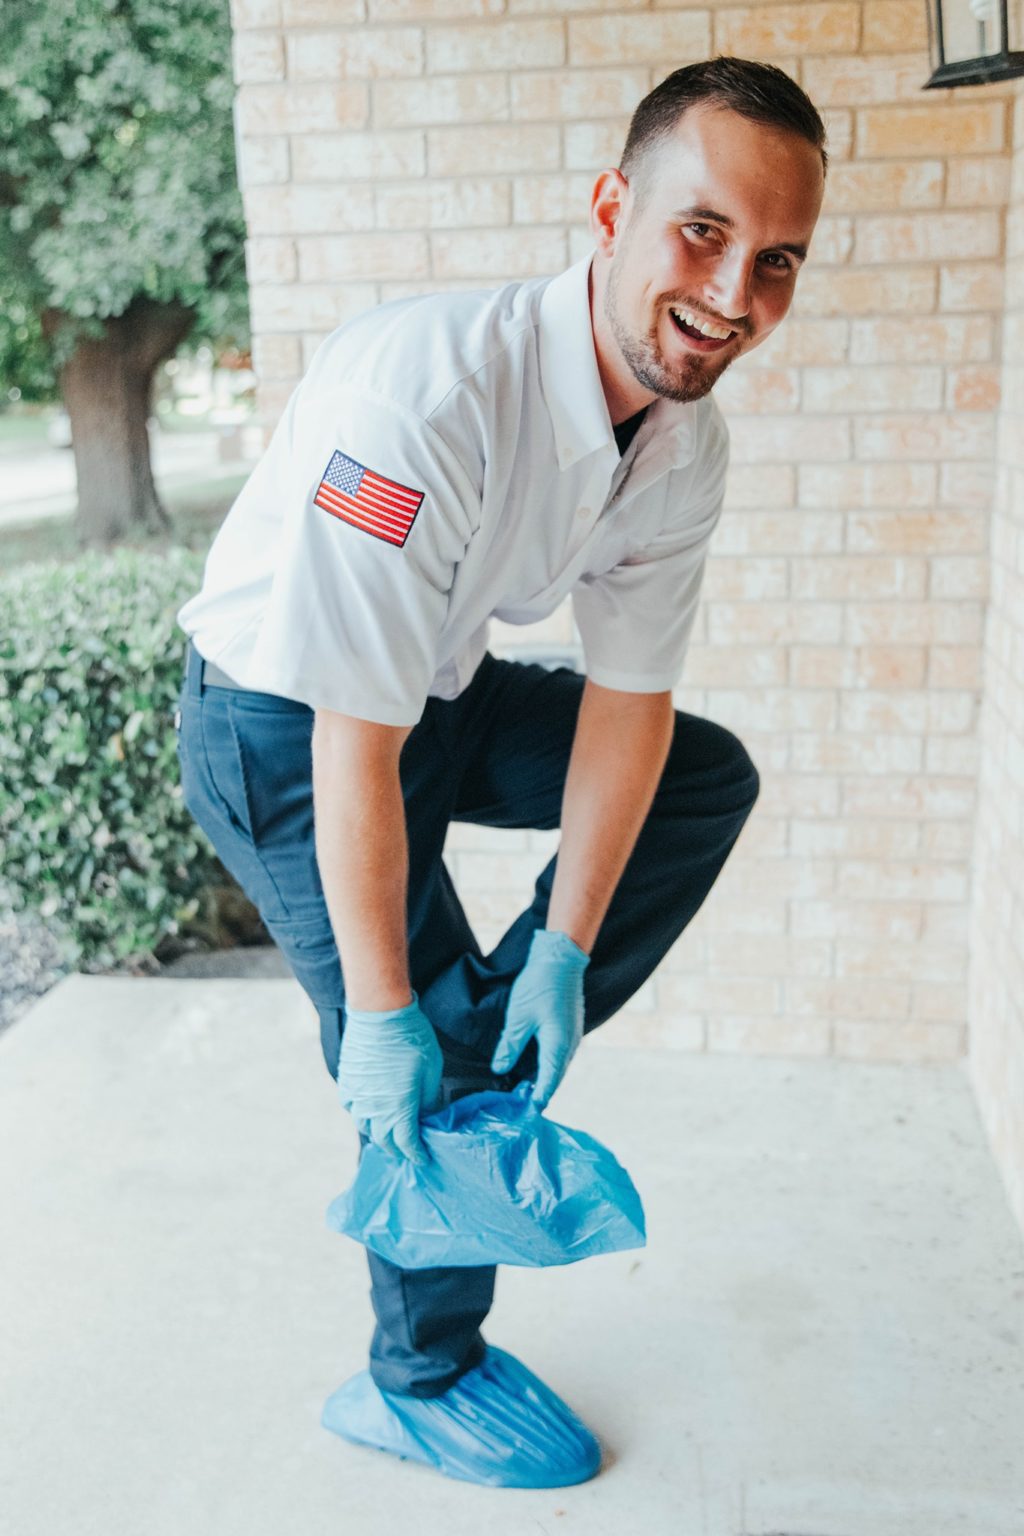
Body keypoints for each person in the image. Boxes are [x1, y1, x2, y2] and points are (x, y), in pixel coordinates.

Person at [175, 56, 826, 1488]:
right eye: (702, 231)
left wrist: (566, 951)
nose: (734, 292)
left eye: (777, 259)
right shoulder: (424, 397)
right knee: (414, 1032)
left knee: (702, 777)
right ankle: (419, 1376)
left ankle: (488, 1026)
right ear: (611, 209)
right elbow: (350, 732)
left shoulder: (683, 443)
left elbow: (632, 704)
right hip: (281, 722)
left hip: (434, 690)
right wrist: (386, 1014)